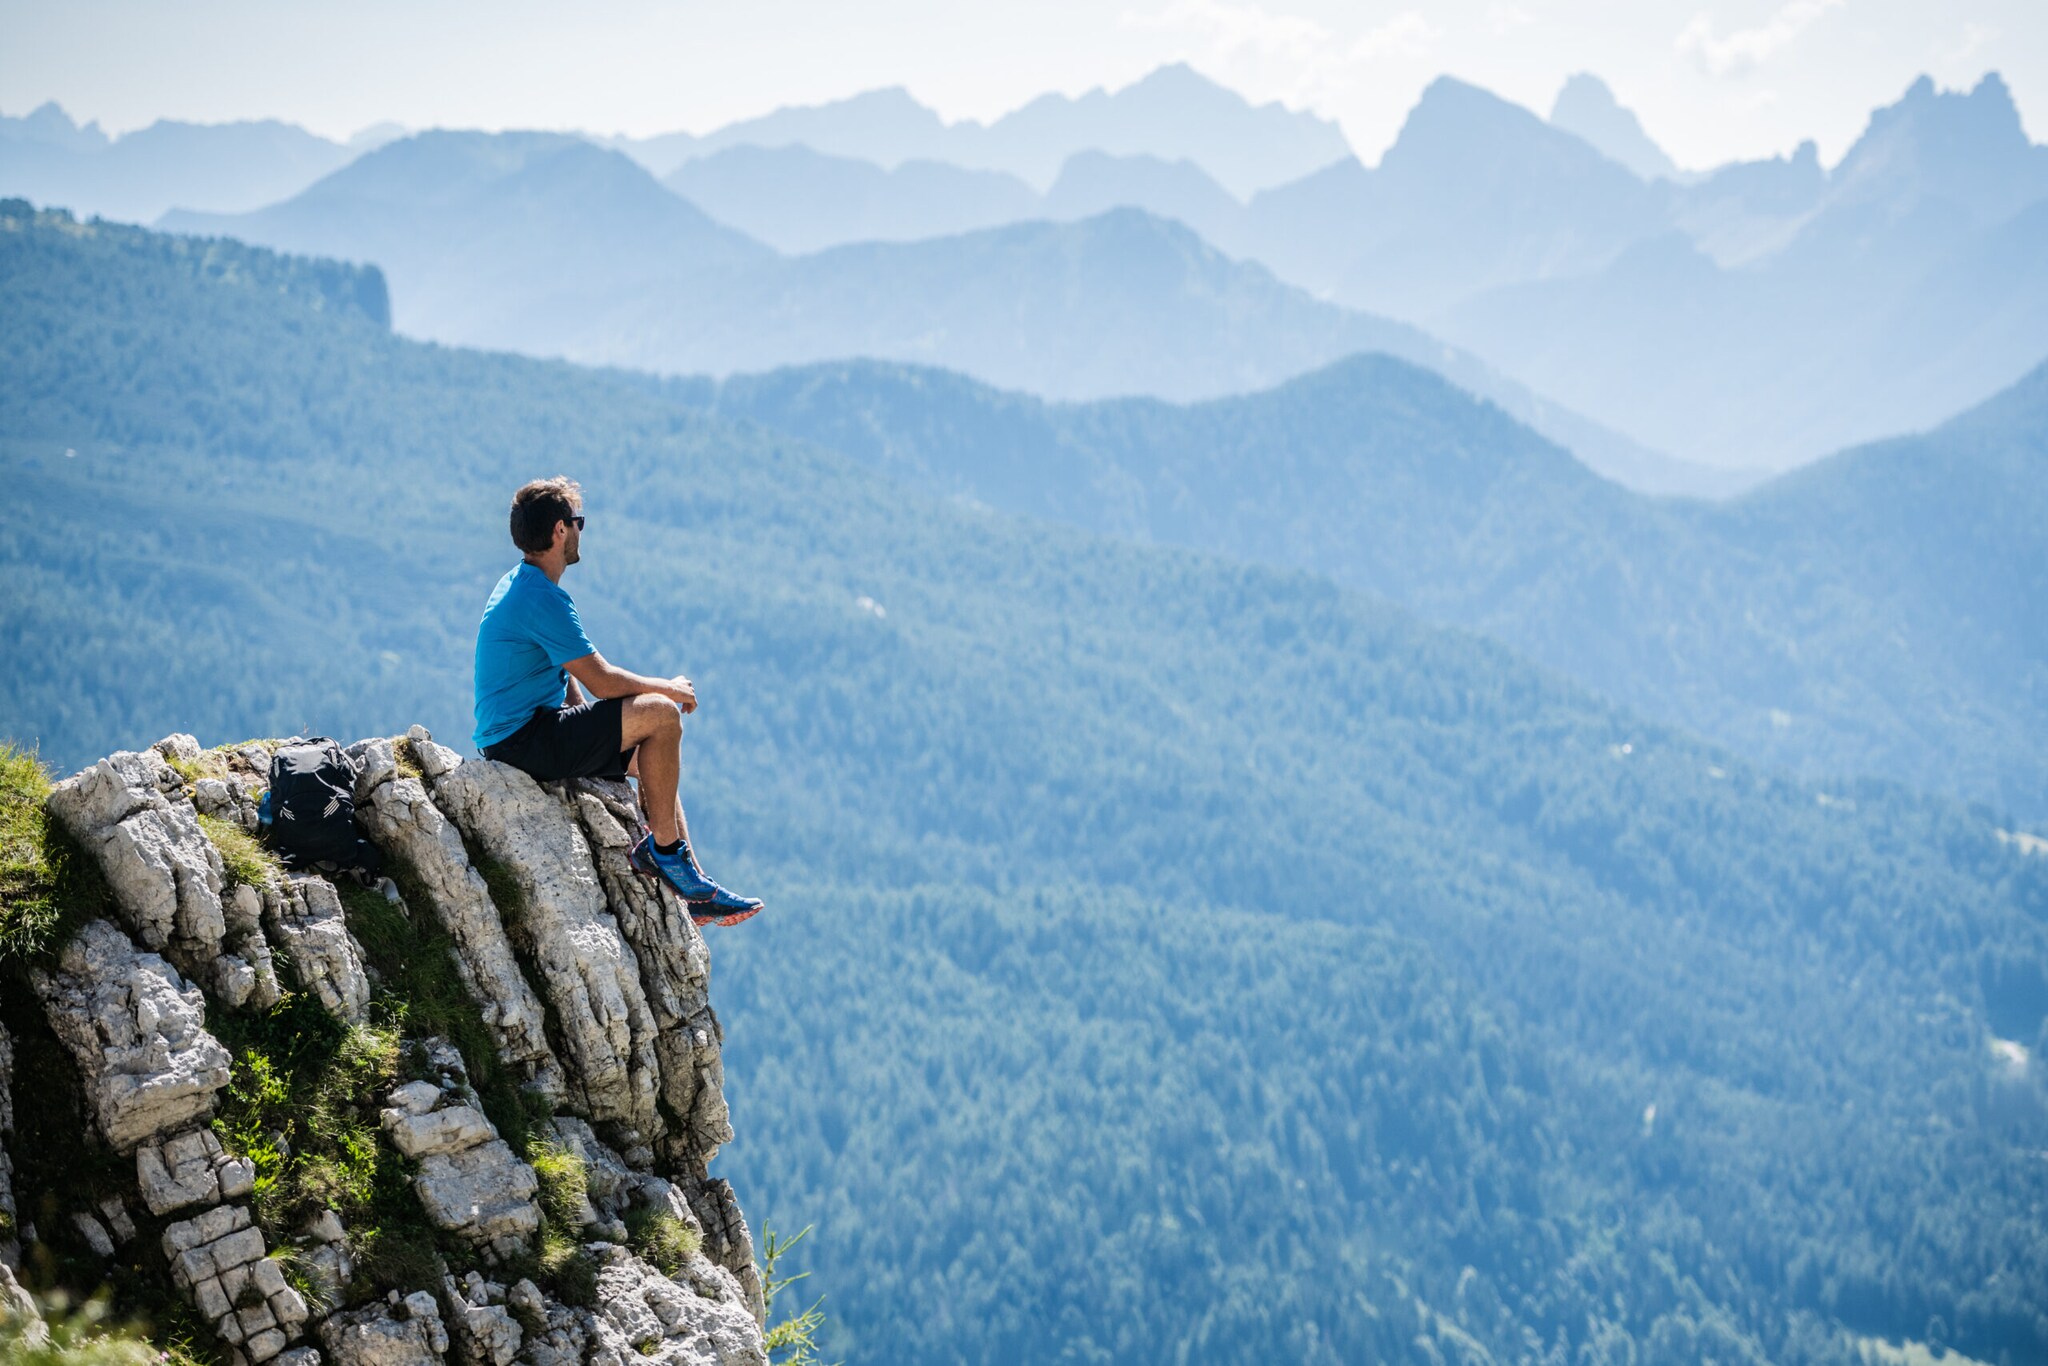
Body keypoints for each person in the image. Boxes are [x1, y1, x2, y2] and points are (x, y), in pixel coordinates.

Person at [472, 476, 763, 926]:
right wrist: (668, 688)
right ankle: (664, 854)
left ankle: (693, 885)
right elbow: (604, 682)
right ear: (559, 531)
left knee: (652, 762)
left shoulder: (521, 583)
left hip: (521, 733)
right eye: (578, 521)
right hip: (523, 742)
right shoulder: (541, 597)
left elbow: (565, 673)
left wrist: (599, 728)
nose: (581, 530)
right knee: (663, 718)